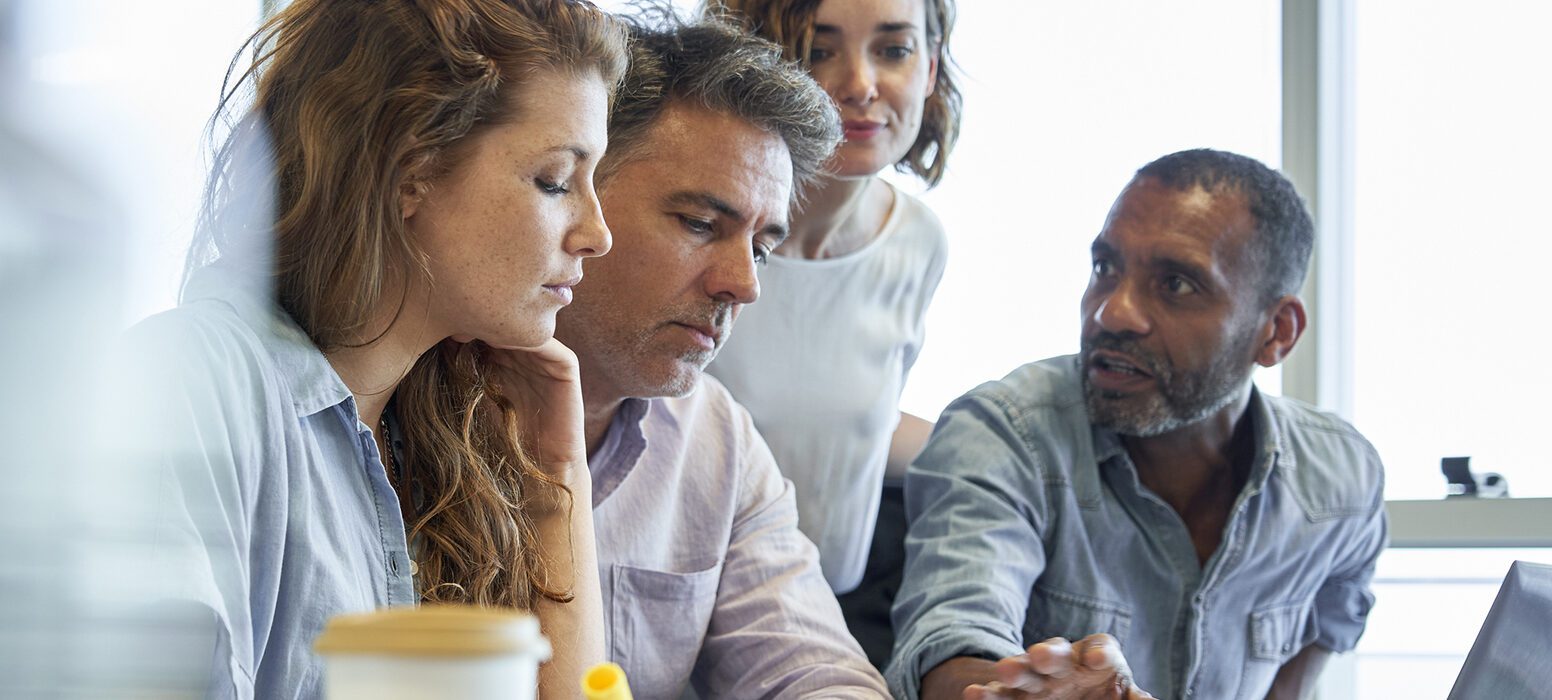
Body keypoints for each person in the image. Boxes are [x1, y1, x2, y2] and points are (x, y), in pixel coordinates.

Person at [125, 1, 626, 696]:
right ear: (410, 171)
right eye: (554, 180)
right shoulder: (190, 384)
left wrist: (556, 474)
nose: (597, 232)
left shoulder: (442, 430)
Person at [887, 149, 1388, 700]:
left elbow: (1329, 625)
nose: (1111, 313)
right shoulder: (1003, 434)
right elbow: (953, 640)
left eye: (1175, 284)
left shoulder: (1342, 479)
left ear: (1276, 333)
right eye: (1105, 268)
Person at [553, 14, 888, 699]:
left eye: (761, 246)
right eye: (702, 225)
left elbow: (813, 667)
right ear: (572, 196)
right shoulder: (407, 395)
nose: (744, 284)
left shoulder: (717, 442)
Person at [704, 1, 961, 632]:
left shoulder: (918, 242)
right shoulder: (698, 232)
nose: (861, 86)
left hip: (827, 618)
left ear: (930, 68)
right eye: (819, 51)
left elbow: (848, 423)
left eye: (893, 50)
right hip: (690, 613)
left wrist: (1006, 451)